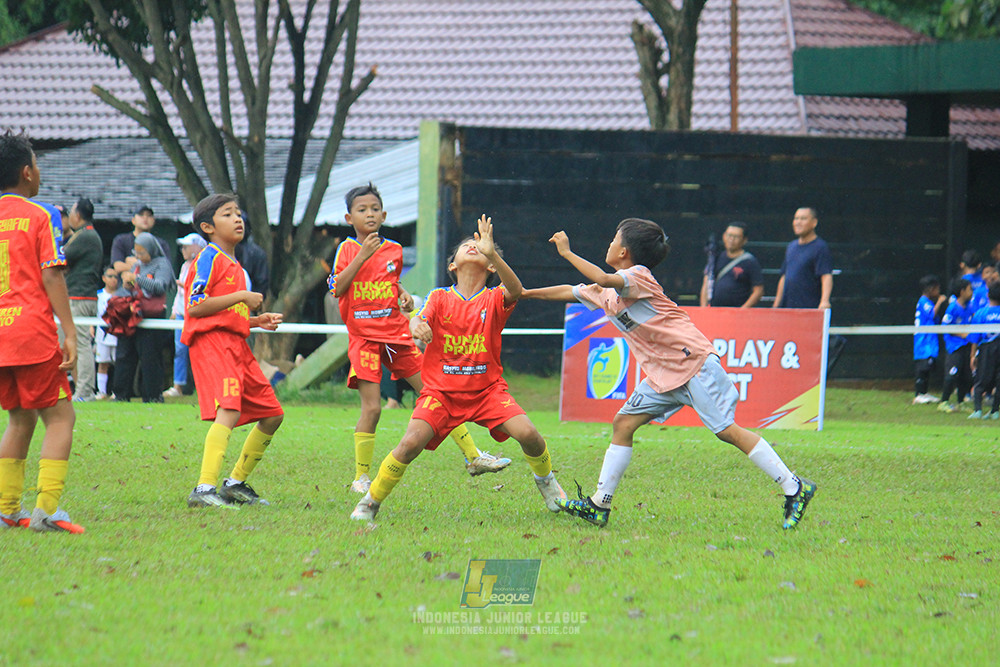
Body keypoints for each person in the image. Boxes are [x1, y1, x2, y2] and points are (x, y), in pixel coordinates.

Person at [522, 218, 816, 530]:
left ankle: (795, 487)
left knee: (726, 431)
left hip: (693, 366)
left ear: (623, 252)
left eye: (613, 239)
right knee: (623, 424)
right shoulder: (606, 291)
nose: (608, 244)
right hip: (663, 375)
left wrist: (567, 253)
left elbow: (605, 279)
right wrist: (525, 294)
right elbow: (570, 290)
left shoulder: (638, 276)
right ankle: (599, 503)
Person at [350, 215, 567, 521]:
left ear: (491, 266)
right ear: (452, 265)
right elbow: (419, 315)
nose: (474, 246)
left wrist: (492, 253)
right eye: (468, 245)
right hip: (441, 394)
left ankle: (547, 483)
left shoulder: (493, 298)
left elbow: (516, 289)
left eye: (480, 246)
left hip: (487, 392)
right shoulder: (440, 297)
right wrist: (415, 323)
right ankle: (369, 503)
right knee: (409, 443)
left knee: (530, 434)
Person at [329, 183, 509, 494]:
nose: (369, 214)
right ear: (349, 218)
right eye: (362, 210)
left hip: (395, 333)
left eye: (374, 209)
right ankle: (361, 477)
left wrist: (402, 296)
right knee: (372, 409)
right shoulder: (346, 249)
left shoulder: (395, 250)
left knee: (437, 393)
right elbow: (338, 287)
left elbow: (388, 280)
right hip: (364, 338)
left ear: (384, 214)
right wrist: (363, 255)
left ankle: (473, 457)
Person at [0, 129, 83, 533]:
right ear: (27, 172)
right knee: (60, 417)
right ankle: (47, 510)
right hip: (31, 332)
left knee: (19, 419)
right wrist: (68, 331)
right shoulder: (42, 214)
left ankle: (5, 509)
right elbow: (52, 276)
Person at [182, 193, 285, 507]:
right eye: (228, 214)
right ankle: (203, 490)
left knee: (272, 415)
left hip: (237, 345)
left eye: (238, 213)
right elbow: (196, 306)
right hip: (214, 344)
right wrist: (241, 295)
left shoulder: (236, 265)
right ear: (207, 227)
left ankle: (235, 483)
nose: (238, 219)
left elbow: (225, 312)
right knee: (229, 408)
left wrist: (255, 320)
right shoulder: (208, 258)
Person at [114, 231, 175, 403]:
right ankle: (121, 393)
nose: (139, 256)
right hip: (134, 315)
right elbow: (131, 288)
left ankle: (152, 395)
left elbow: (160, 286)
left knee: (150, 357)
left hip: (152, 317)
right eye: (137, 253)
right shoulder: (137, 266)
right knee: (125, 355)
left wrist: (138, 279)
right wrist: (128, 284)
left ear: (151, 249)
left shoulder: (161, 264)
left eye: (142, 252)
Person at [62, 197, 104, 402]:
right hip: (83, 296)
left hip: (80, 296)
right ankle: (80, 389)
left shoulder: (84, 236)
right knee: (73, 343)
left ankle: (85, 391)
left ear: (77, 215)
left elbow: (61, 257)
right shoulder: (88, 235)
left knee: (80, 343)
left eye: (71, 212)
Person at [164, 233, 207, 398]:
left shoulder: (203, 264)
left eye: (186, 246)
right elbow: (180, 294)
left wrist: (182, 284)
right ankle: (178, 386)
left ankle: (202, 386)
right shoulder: (184, 266)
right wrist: (174, 310)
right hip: (182, 314)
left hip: (197, 314)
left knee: (200, 350)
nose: (183, 250)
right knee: (180, 349)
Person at [772, 207, 833, 310]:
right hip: (787, 308)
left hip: (808, 307)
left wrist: (824, 301)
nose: (798, 222)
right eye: (796, 218)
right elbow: (784, 276)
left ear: (814, 223)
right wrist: (776, 305)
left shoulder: (820, 247)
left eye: (803, 219)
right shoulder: (791, 246)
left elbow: (826, 276)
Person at [700, 222, 764, 308]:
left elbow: (758, 290)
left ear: (744, 240)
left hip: (737, 315)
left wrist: (743, 310)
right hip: (715, 313)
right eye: (729, 235)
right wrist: (704, 309)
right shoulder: (716, 258)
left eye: (736, 237)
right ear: (724, 236)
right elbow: (706, 282)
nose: (731, 239)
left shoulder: (750, 261)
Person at [938, 277, 975, 413]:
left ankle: (960, 402)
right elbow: (946, 327)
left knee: (966, 375)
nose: (972, 292)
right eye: (970, 289)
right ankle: (944, 401)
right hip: (954, 347)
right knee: (952, 374)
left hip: (967, 346)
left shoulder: (970, 307)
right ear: (962, 291)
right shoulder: (952, 307)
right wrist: (963, 334)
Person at [912, 275, 947, 405]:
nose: (939, 291)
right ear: (931, 289)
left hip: (929, 340)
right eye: (937, 288)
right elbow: (931, 314)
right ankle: (918, 394)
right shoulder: (924, 301)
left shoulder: (928, 302)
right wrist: (940, 301)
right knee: (922, 367)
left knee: (928, 367)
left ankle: (924, 392)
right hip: (923, 340)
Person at [969, 283, 1000, 420]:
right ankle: (994, 411)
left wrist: (972, 355)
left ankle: (978, 410)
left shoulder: (980, 313)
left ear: (988, 295)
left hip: (987, 350)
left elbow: (974, 338)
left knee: (980, 379)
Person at [110, 205, 169, 274]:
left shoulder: (160, 243)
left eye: (149, 215)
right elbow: (118, 267)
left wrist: (135, 263)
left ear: (153, 221)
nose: (145, 218)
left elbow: (165, 269)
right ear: (133, 220)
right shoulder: (121, 240)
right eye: (141, 215)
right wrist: (149, 265)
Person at [95, 266, 119, 400]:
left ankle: (116, 391)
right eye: (110, 276)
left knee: (117, 362)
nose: (113, 280)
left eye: (116, 277)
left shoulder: (121, 294)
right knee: (102, 363)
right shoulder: (98, 295)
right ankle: (102, 392)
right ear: (104, 278)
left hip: (116, 334)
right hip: (102, 335)